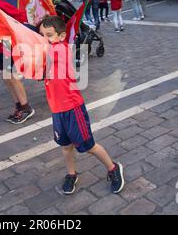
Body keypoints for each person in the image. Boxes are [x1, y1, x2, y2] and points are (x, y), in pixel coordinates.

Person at [39, 16, 125, 195]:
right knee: (65, 146)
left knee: (88, 146)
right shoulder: (48, 52)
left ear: (62, 36)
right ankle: (72, 174)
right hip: (57, 110)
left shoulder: (60, 49)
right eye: (42, 35)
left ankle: (113, 168)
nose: (45, 39)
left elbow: (44, 53)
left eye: (49, 35)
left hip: (72, 108)